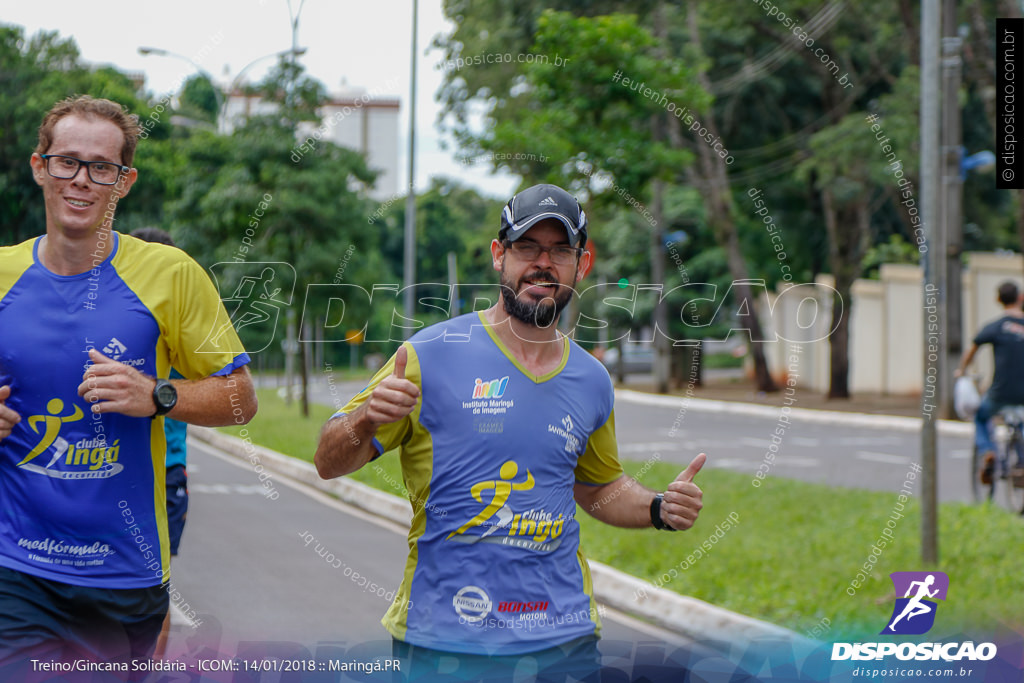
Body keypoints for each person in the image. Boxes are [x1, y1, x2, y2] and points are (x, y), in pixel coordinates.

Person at [314, 183, 706, 682]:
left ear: (581, 266)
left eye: (560, 250)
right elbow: (328, 462)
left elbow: (598, 486)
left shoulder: (590, 379)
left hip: (564, 639)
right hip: (445, 639)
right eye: (527, 247)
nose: (543, 263)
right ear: (500, 256)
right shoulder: (429, 354)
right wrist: (366, 418)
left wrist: (657, 507)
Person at [0, 95, 256, 674]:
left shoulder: (171, 275)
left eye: (101, 168)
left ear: (125, 182)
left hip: (122, 573)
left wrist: (158, 395)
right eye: (67, 162)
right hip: (14, 565)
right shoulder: (2, 275)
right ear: (40, 166)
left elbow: (241, 399)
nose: (82, 180)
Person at [130, 227, 191, 659]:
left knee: (156, 582)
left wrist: (155, 392)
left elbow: (229, 393)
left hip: (166, 474)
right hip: (116, 469)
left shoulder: (185, 332)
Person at [956, 280, 1024, 484]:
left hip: (1000, 392)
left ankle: (987, 451)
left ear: (998, 299)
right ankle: (1021, 465)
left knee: (981, 417)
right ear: (1020, 298)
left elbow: (972, 349)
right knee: (1021, 422)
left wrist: (961, 371)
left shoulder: (995, 327)